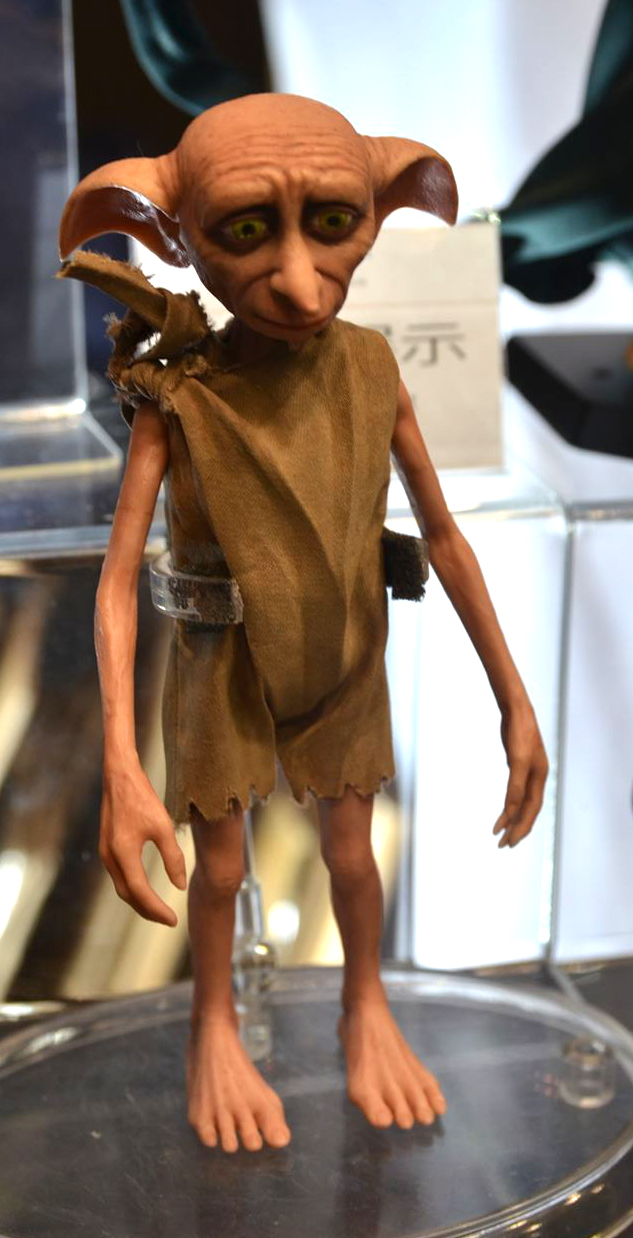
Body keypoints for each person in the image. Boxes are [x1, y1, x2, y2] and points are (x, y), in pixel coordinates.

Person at [59, 92, 548, 1154]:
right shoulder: (178, 395)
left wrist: (515, 700)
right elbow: (115, 581)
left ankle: (365, 1003)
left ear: (385, 203)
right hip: (220, 660)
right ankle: (212, 1027)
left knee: (353, 856)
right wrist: (121, 765)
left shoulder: (371, 369)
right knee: (220, 869)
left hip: (344, 650)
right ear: (165, 228)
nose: (295, 278)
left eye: (330, 222)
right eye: (244, 229)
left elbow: (444, 535)